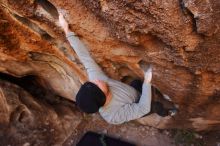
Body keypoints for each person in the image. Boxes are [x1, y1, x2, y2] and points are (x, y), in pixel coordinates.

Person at [59, 14, 171, 124]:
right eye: (97, 85)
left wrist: (67, 31)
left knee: (136, 82)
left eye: (92, 82)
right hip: (137, 105)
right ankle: (168, 112)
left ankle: (147, 94)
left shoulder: (97, 81)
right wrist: (147, 81)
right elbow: (143, 108)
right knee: (155, 107)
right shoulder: (113, 116)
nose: (97, 80)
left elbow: (85, 58)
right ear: (102, 96)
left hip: (132, 93)